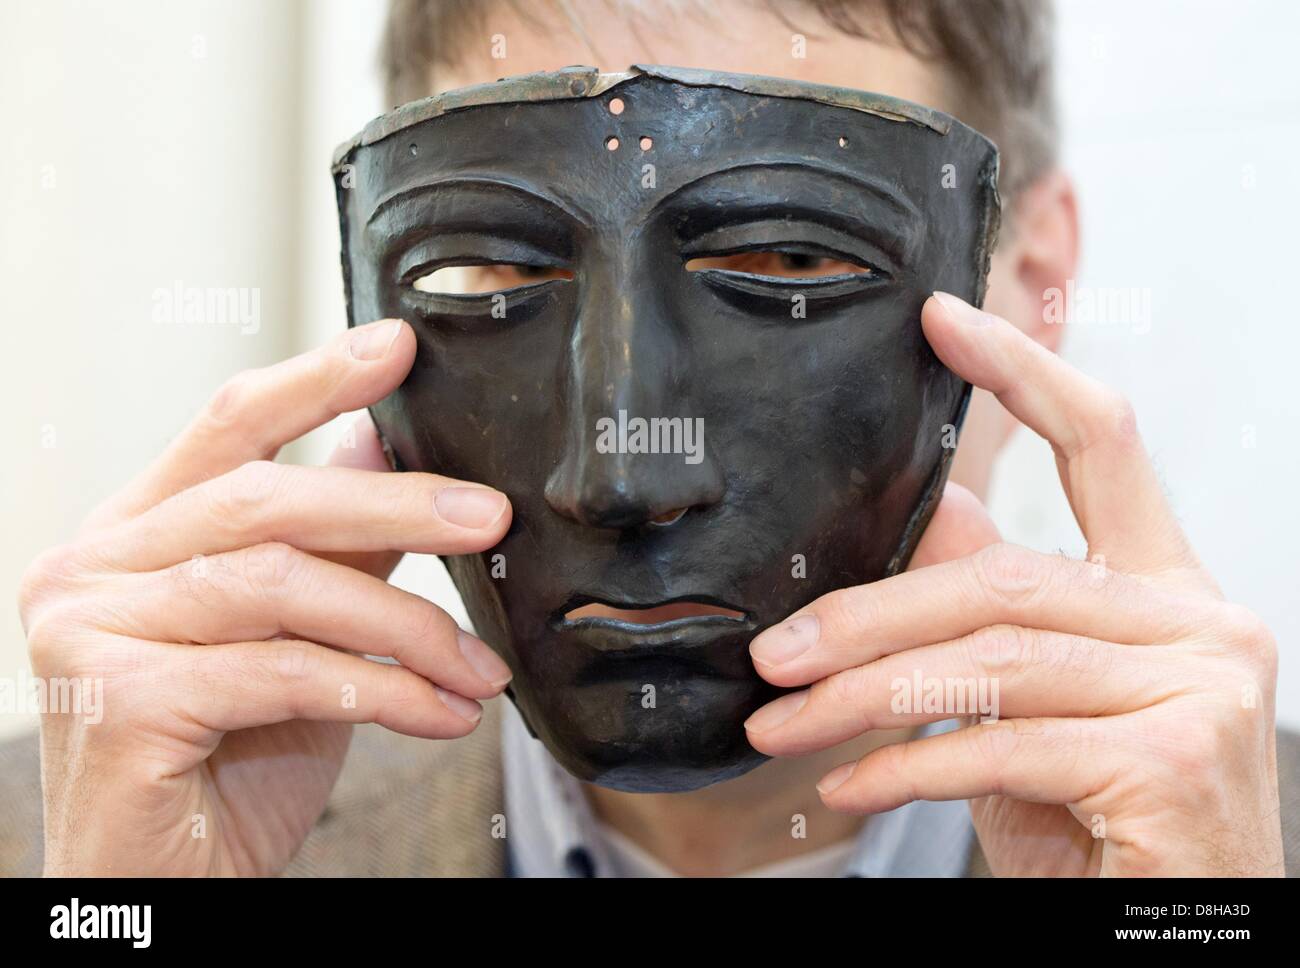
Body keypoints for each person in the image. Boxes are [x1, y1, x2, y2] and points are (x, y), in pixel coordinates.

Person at [5, 0, 1296, 877]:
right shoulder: (66, 845)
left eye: (790, 257)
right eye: (494, 267)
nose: (620, 472)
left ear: (1035, 281)